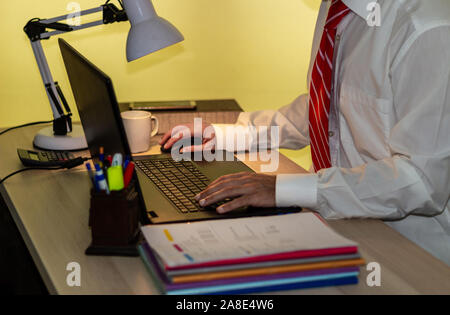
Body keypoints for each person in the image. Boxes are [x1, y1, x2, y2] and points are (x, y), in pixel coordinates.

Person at [159, 0, 450, 265]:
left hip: (410, 252)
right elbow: (329, 103)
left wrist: (283, 189)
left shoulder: (427, 30)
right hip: (336, 221)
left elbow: (421, 181)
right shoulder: (336, 9)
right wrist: (228, 135)